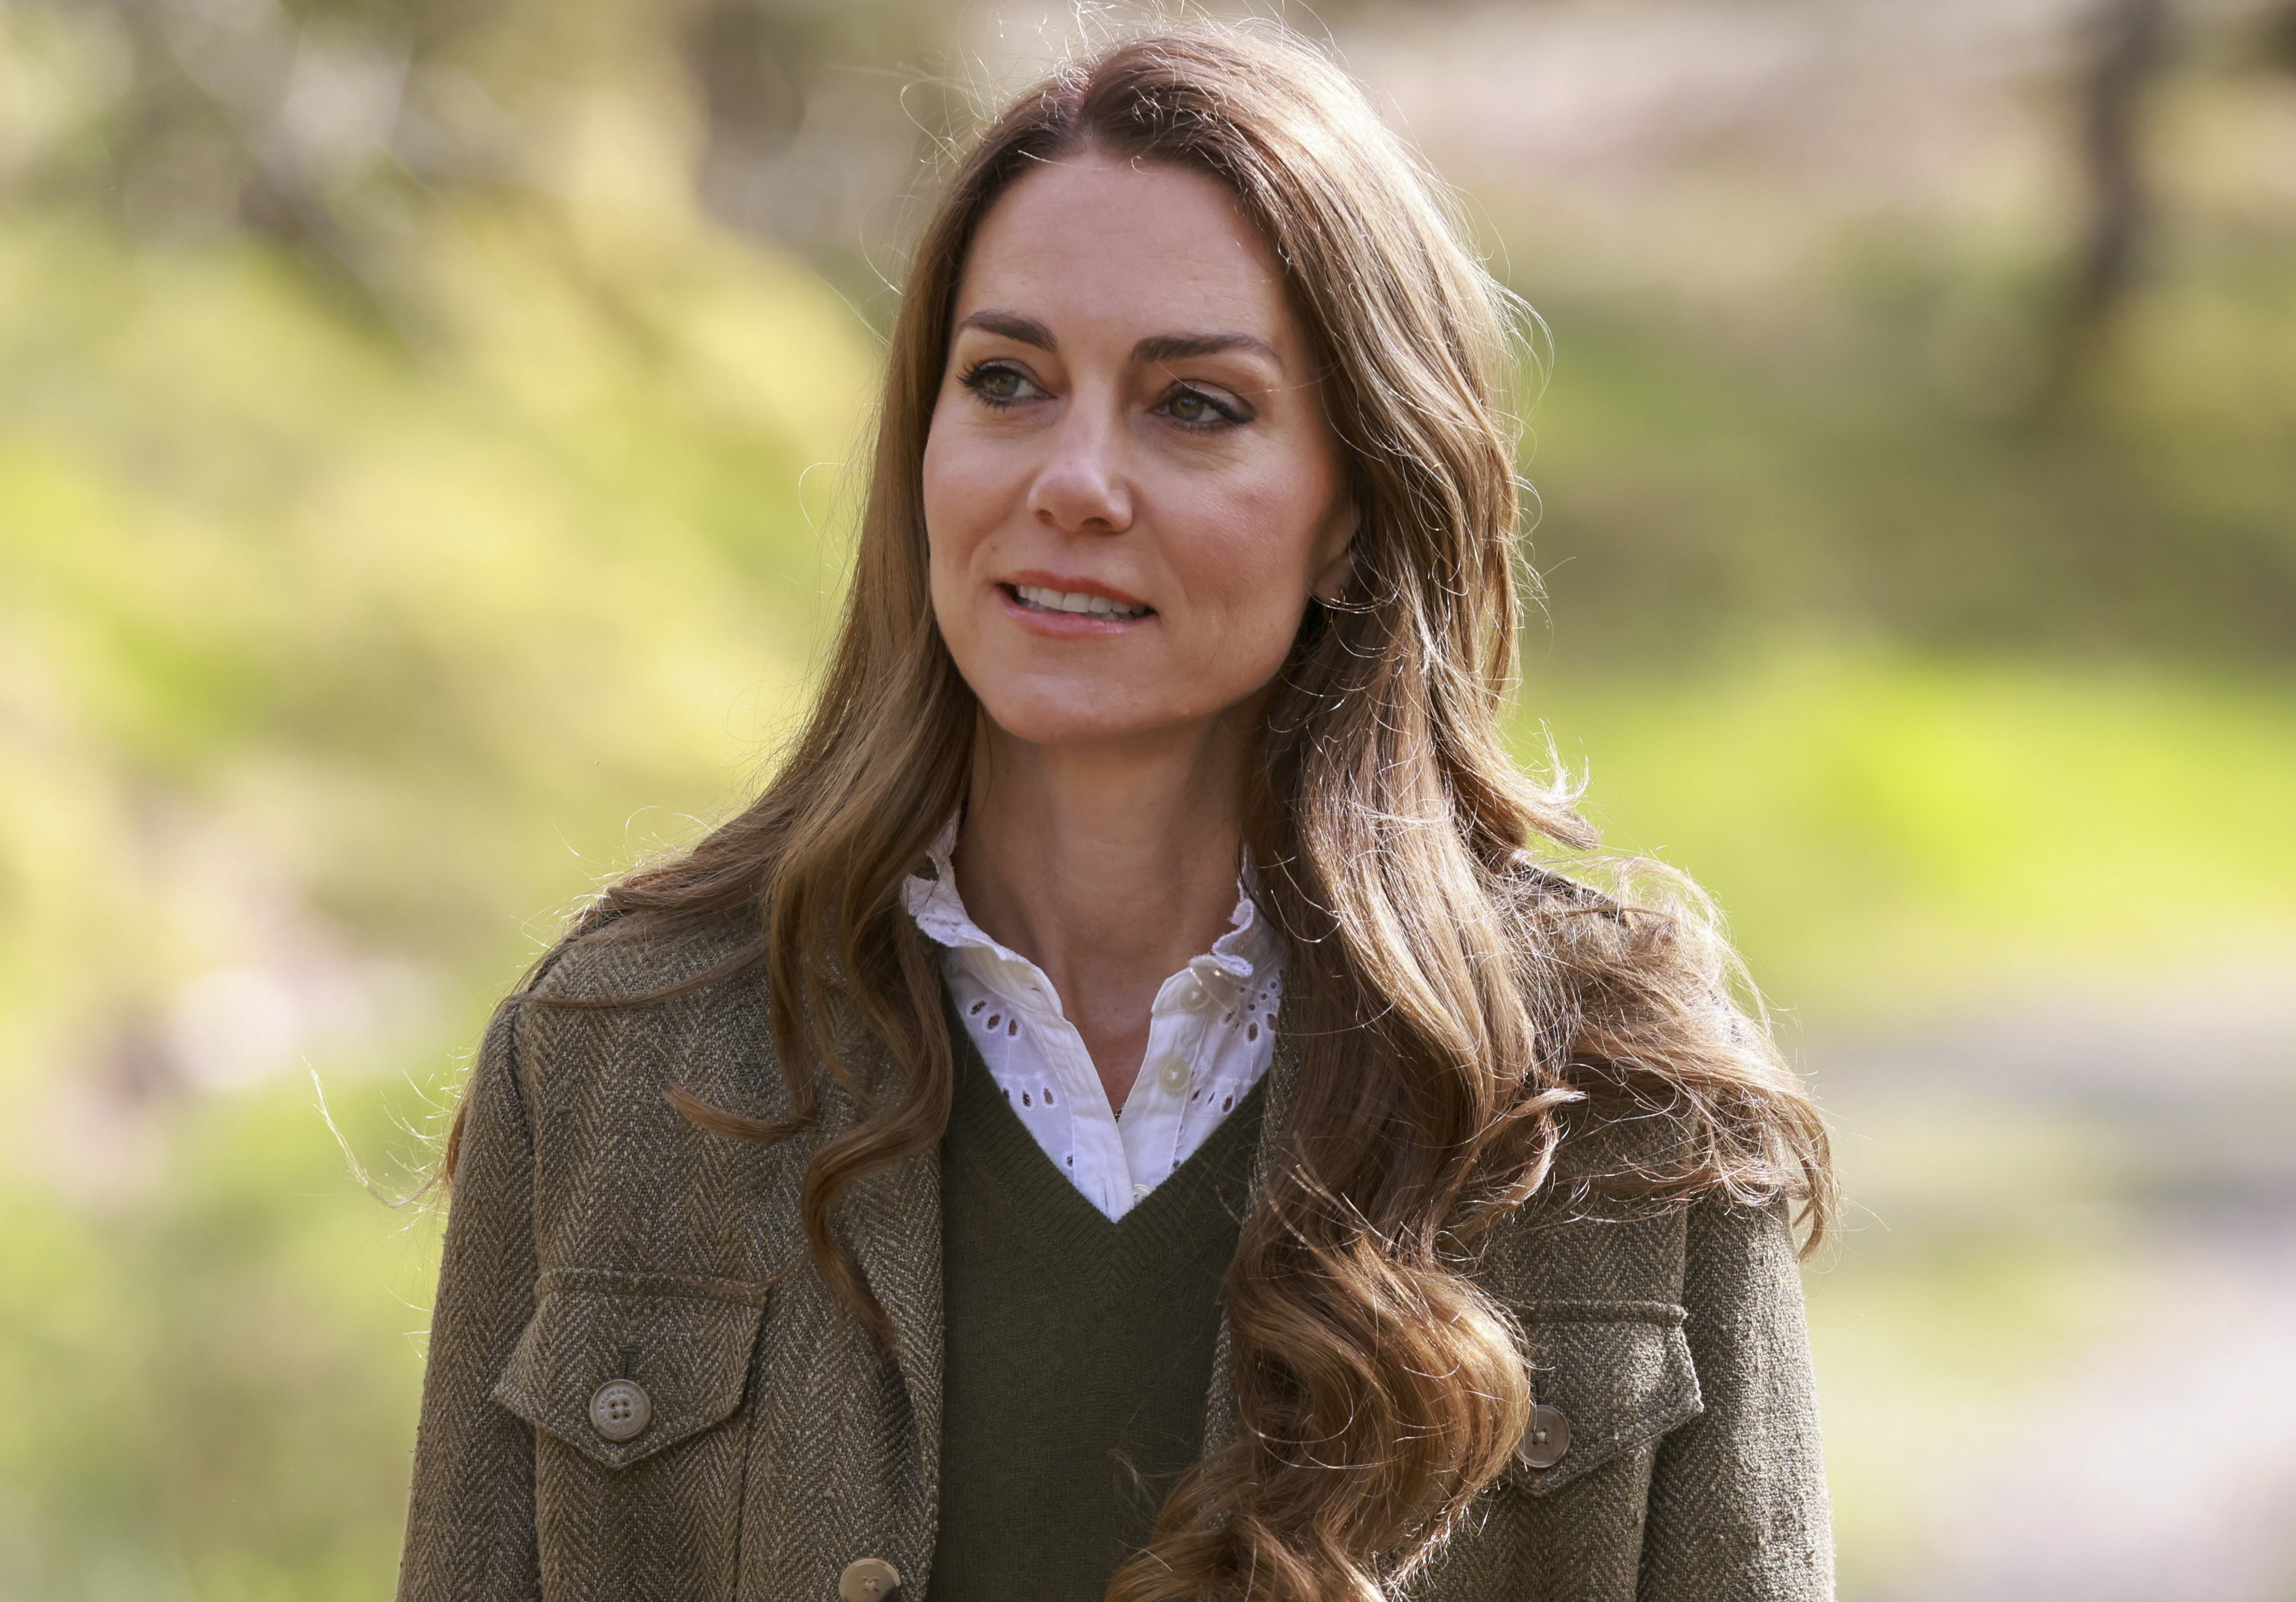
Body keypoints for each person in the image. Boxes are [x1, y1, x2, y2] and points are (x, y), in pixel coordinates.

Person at [396, 23, 1835, 1602]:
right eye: (1005, 381)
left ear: (1356, 510)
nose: (1074, 479)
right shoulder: (618, 1053)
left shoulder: (1617, 1107)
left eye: (1195, 406)